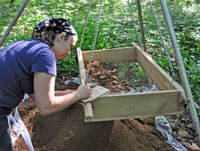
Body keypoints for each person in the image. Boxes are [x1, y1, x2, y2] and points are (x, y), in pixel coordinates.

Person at [0, 17, 92, 151]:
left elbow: (36, 95)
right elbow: (46, 107)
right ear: (61, 37)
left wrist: (68, 94)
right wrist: (77, 94)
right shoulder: (45, 55)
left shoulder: (28, 46)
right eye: (70, 46)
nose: (68, 53)